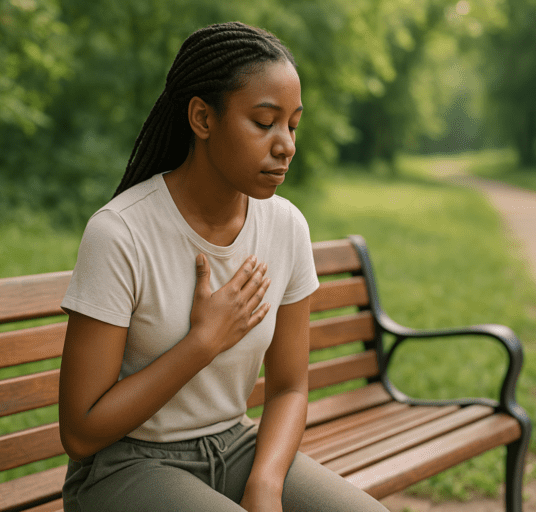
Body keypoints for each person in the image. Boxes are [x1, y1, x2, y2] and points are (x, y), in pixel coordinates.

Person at [58, 21, 389, 512]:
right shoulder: (121, 233)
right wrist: (203, 342)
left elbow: (289, 387)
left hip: (235, 449)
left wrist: (266, 485)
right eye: (264, 122)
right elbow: (81, 432)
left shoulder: (286, 227)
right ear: (202, 118)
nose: (286, 145)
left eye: (293, 125)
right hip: (125, 467)